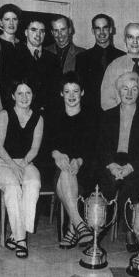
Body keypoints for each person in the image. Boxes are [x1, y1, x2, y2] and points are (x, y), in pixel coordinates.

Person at [97, 71, 139, 251]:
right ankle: (97, 232)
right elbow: (101, 145)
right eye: (125, 89)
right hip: (112, 161)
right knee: (107, 184)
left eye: (134, 89)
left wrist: (130, 167)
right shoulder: (106, 116)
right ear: (118, 91)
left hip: (137, 163)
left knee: (130, 187)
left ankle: (129, 230)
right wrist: (112, 165)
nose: (129, 93)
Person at [0, 80, 43, 259]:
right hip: (1, 162)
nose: (24, 97)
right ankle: (21, 239)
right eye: (19, 93)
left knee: (33, 182)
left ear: (33, 95)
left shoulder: (38, 118)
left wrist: (21, 165)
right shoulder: (5, 115)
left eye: (28, 93)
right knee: (13, 188)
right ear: (13, 96)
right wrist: (13, 166)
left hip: (25, 161)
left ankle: (15, 233)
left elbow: (34, 149)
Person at [50, 72, 96, 249]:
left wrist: (79, 161)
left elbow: (93, 147)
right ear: (61, 93)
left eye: (75, 91)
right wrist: (56, 154)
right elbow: (46, 145)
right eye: (67, 91)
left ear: (82, 92)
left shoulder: (91, 116)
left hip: (85, 168)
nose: (71, 96)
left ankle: (73, 229)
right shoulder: (53, 115)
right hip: (57, 168)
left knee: (68, 173)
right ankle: (79, 224)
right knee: (64, 171)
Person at [75, 14, 125, 116]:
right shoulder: (82, 58)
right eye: (98, 28)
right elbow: (78, 89)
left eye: (105, 28)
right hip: (90, 114)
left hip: (115, 113)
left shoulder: (123, 57)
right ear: (93, 31)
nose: (101, 32)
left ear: (111, 29)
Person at [16, 19, 62, 113]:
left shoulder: (53, 59)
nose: (38, 34)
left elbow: (56, 91)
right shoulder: (16, 55)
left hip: (47, 114)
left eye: (42, 31)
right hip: (23, 113)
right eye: (33, 30)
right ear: (26, 32)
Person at [0, 3, 23, 117]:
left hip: (19, 99)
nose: (11, 23)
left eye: (14, 19)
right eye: (7, 19)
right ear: (1, 22)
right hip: (1, 100)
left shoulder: (22, 44)